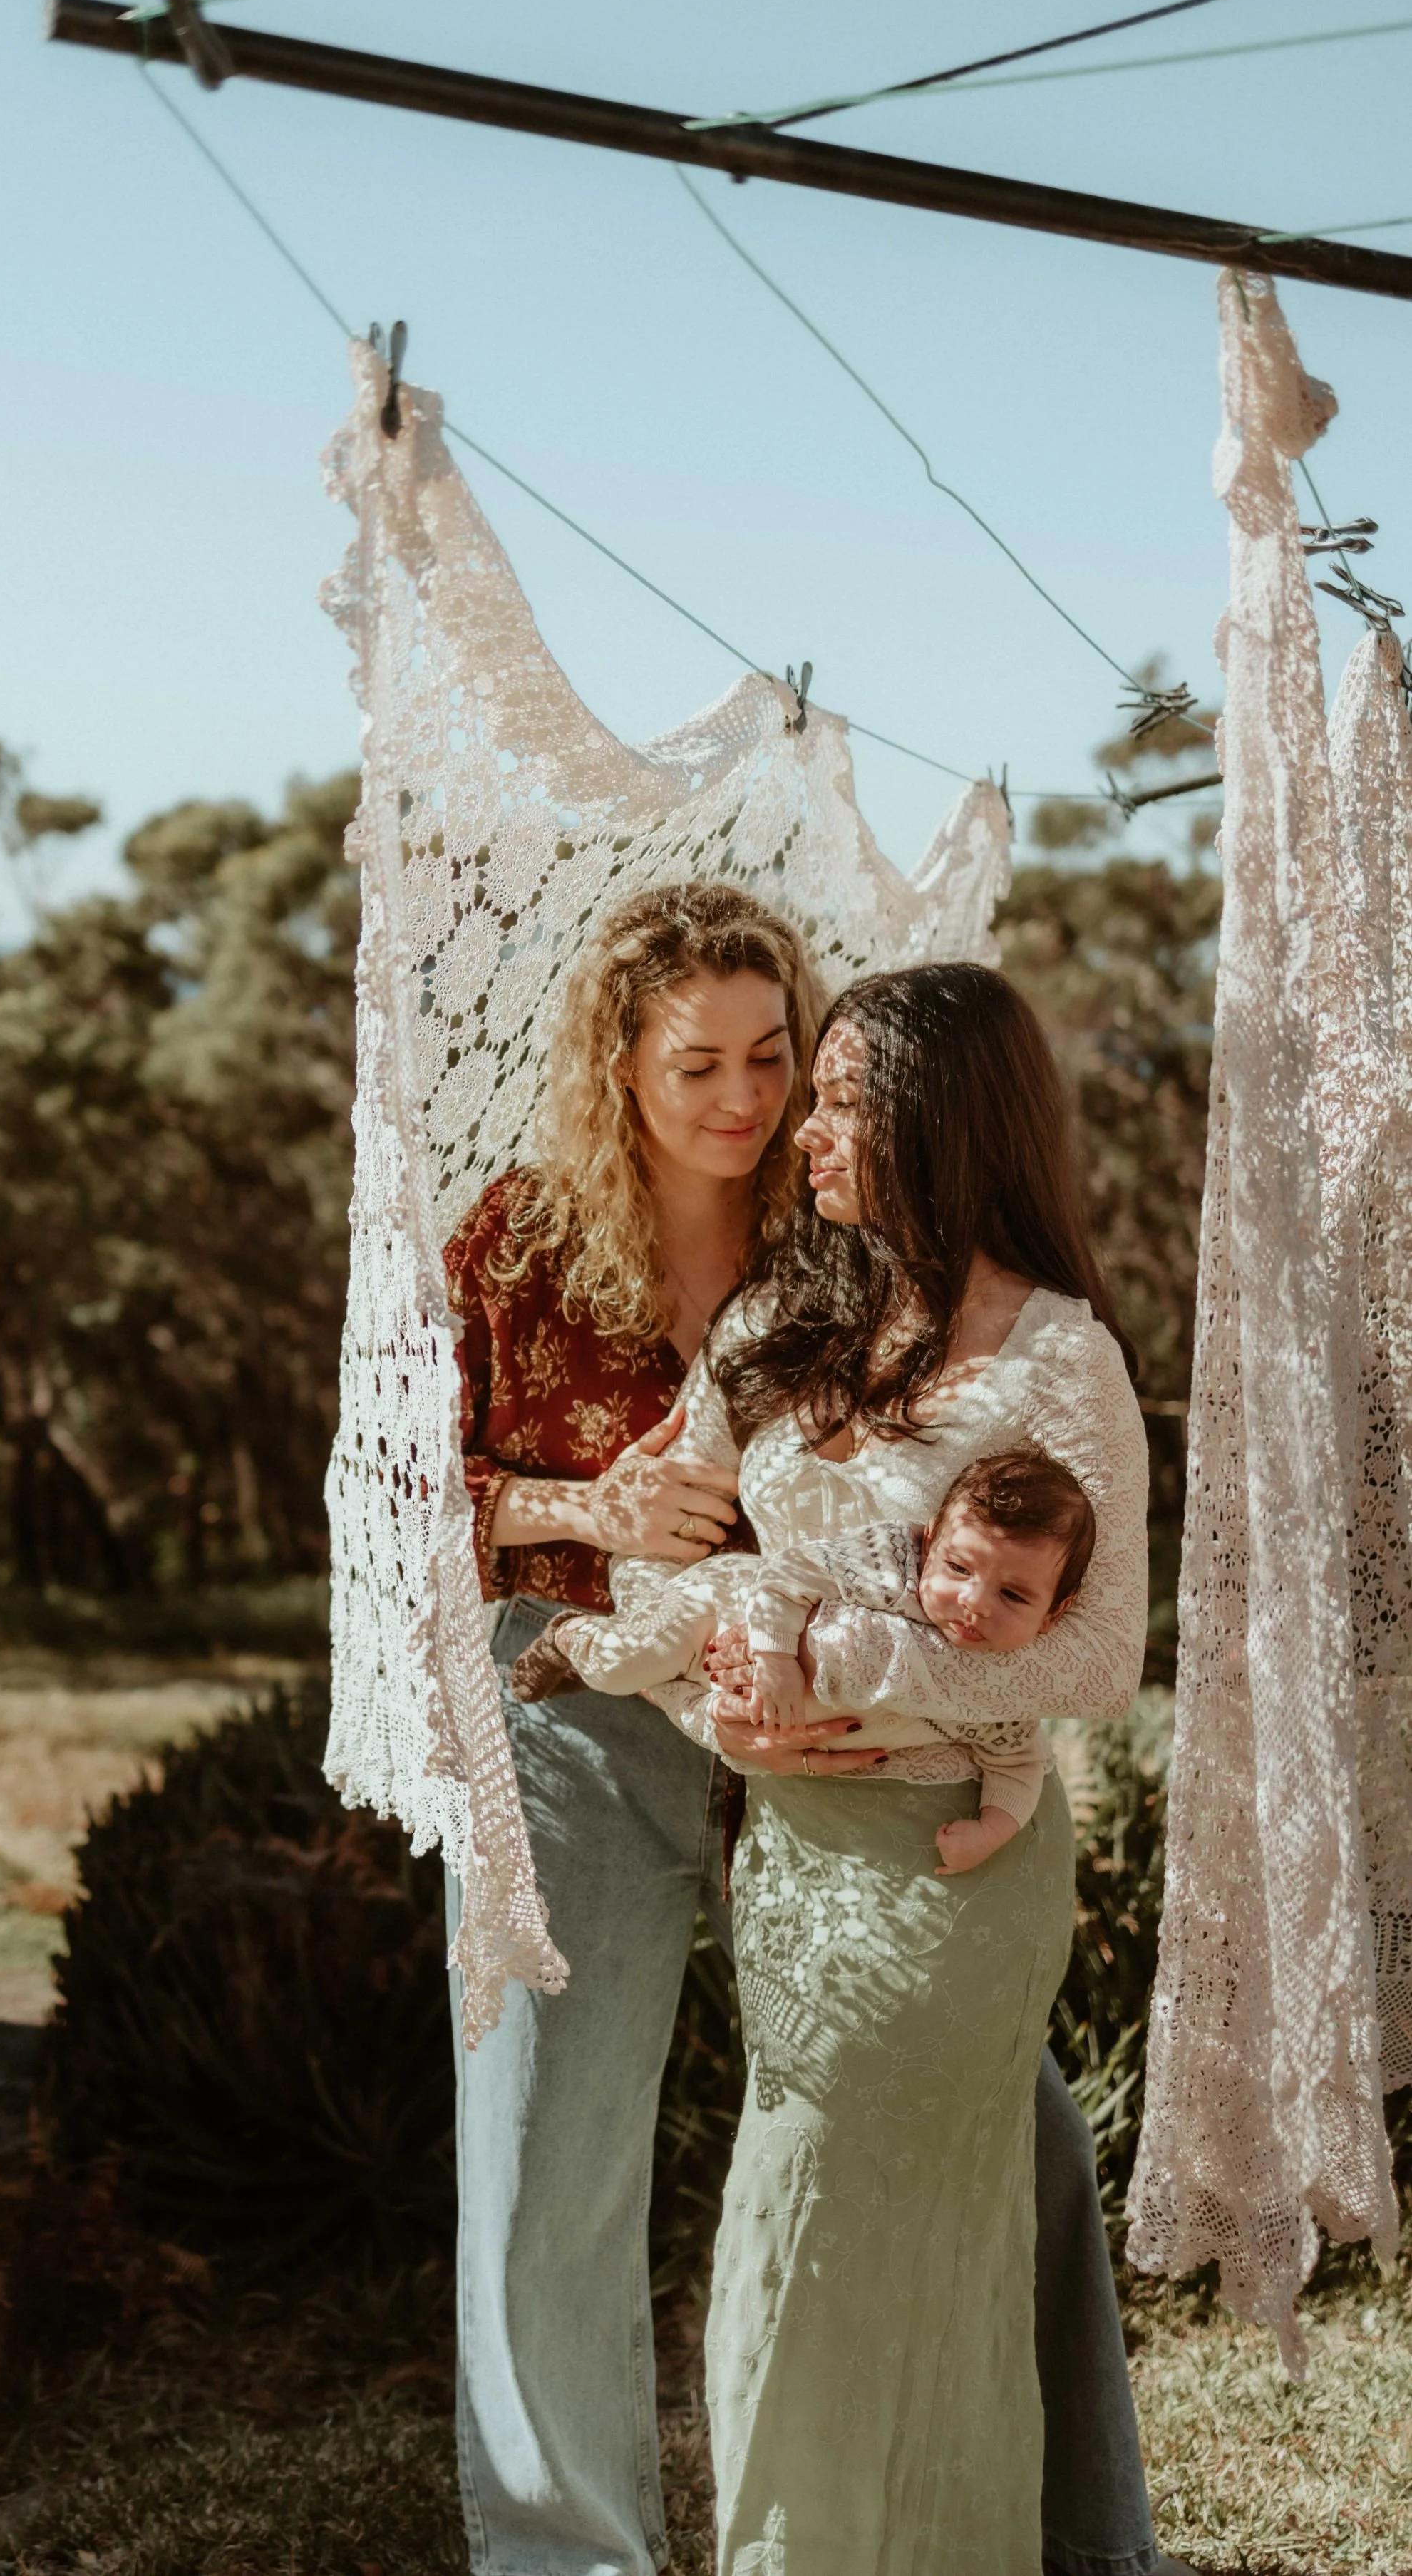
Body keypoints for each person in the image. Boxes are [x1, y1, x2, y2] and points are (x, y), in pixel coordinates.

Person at [445, 889, 1173, 2576]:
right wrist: (590, 1505)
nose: (750, 1100)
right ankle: (572, 2556)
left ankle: (1074, 2528)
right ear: (613, 1066)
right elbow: (395, 1491)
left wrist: (814, 1687)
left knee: (1006, 2128)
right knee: (553, 2139)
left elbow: (997, 1589)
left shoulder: (836, 1231)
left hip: (861, 1777)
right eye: (696, 1062)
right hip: (600, 1695)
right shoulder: (522, 1242)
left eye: (780, 1059)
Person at [630, 962, 1149, 2572]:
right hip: (789, 1865)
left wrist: (862, 1680)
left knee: (874, 2241)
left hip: (955, 1872)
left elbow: (1090, 1657)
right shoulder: (776, 1322)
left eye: (850, 1099)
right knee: (814, 2224)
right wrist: (724, 1716)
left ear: (946, 1118)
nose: (810, 1131)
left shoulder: (1064, 1362)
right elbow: (664, 1575)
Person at [506, 1443, 1093, 1870]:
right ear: (931, 1538)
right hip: (721, 1608)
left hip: (745, 1706)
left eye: (1013, 1595)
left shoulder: (1001, 1693)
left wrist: (991, 1831)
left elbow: (1020, 1764)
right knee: (622, 1667)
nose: (973, 1602)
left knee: (664, 1685)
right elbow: (787, 1575)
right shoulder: (891, 1564)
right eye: (958, 1568)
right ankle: (571, 1637)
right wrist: (778, 1659)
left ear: (1055, 1612)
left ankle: (649, 1679)